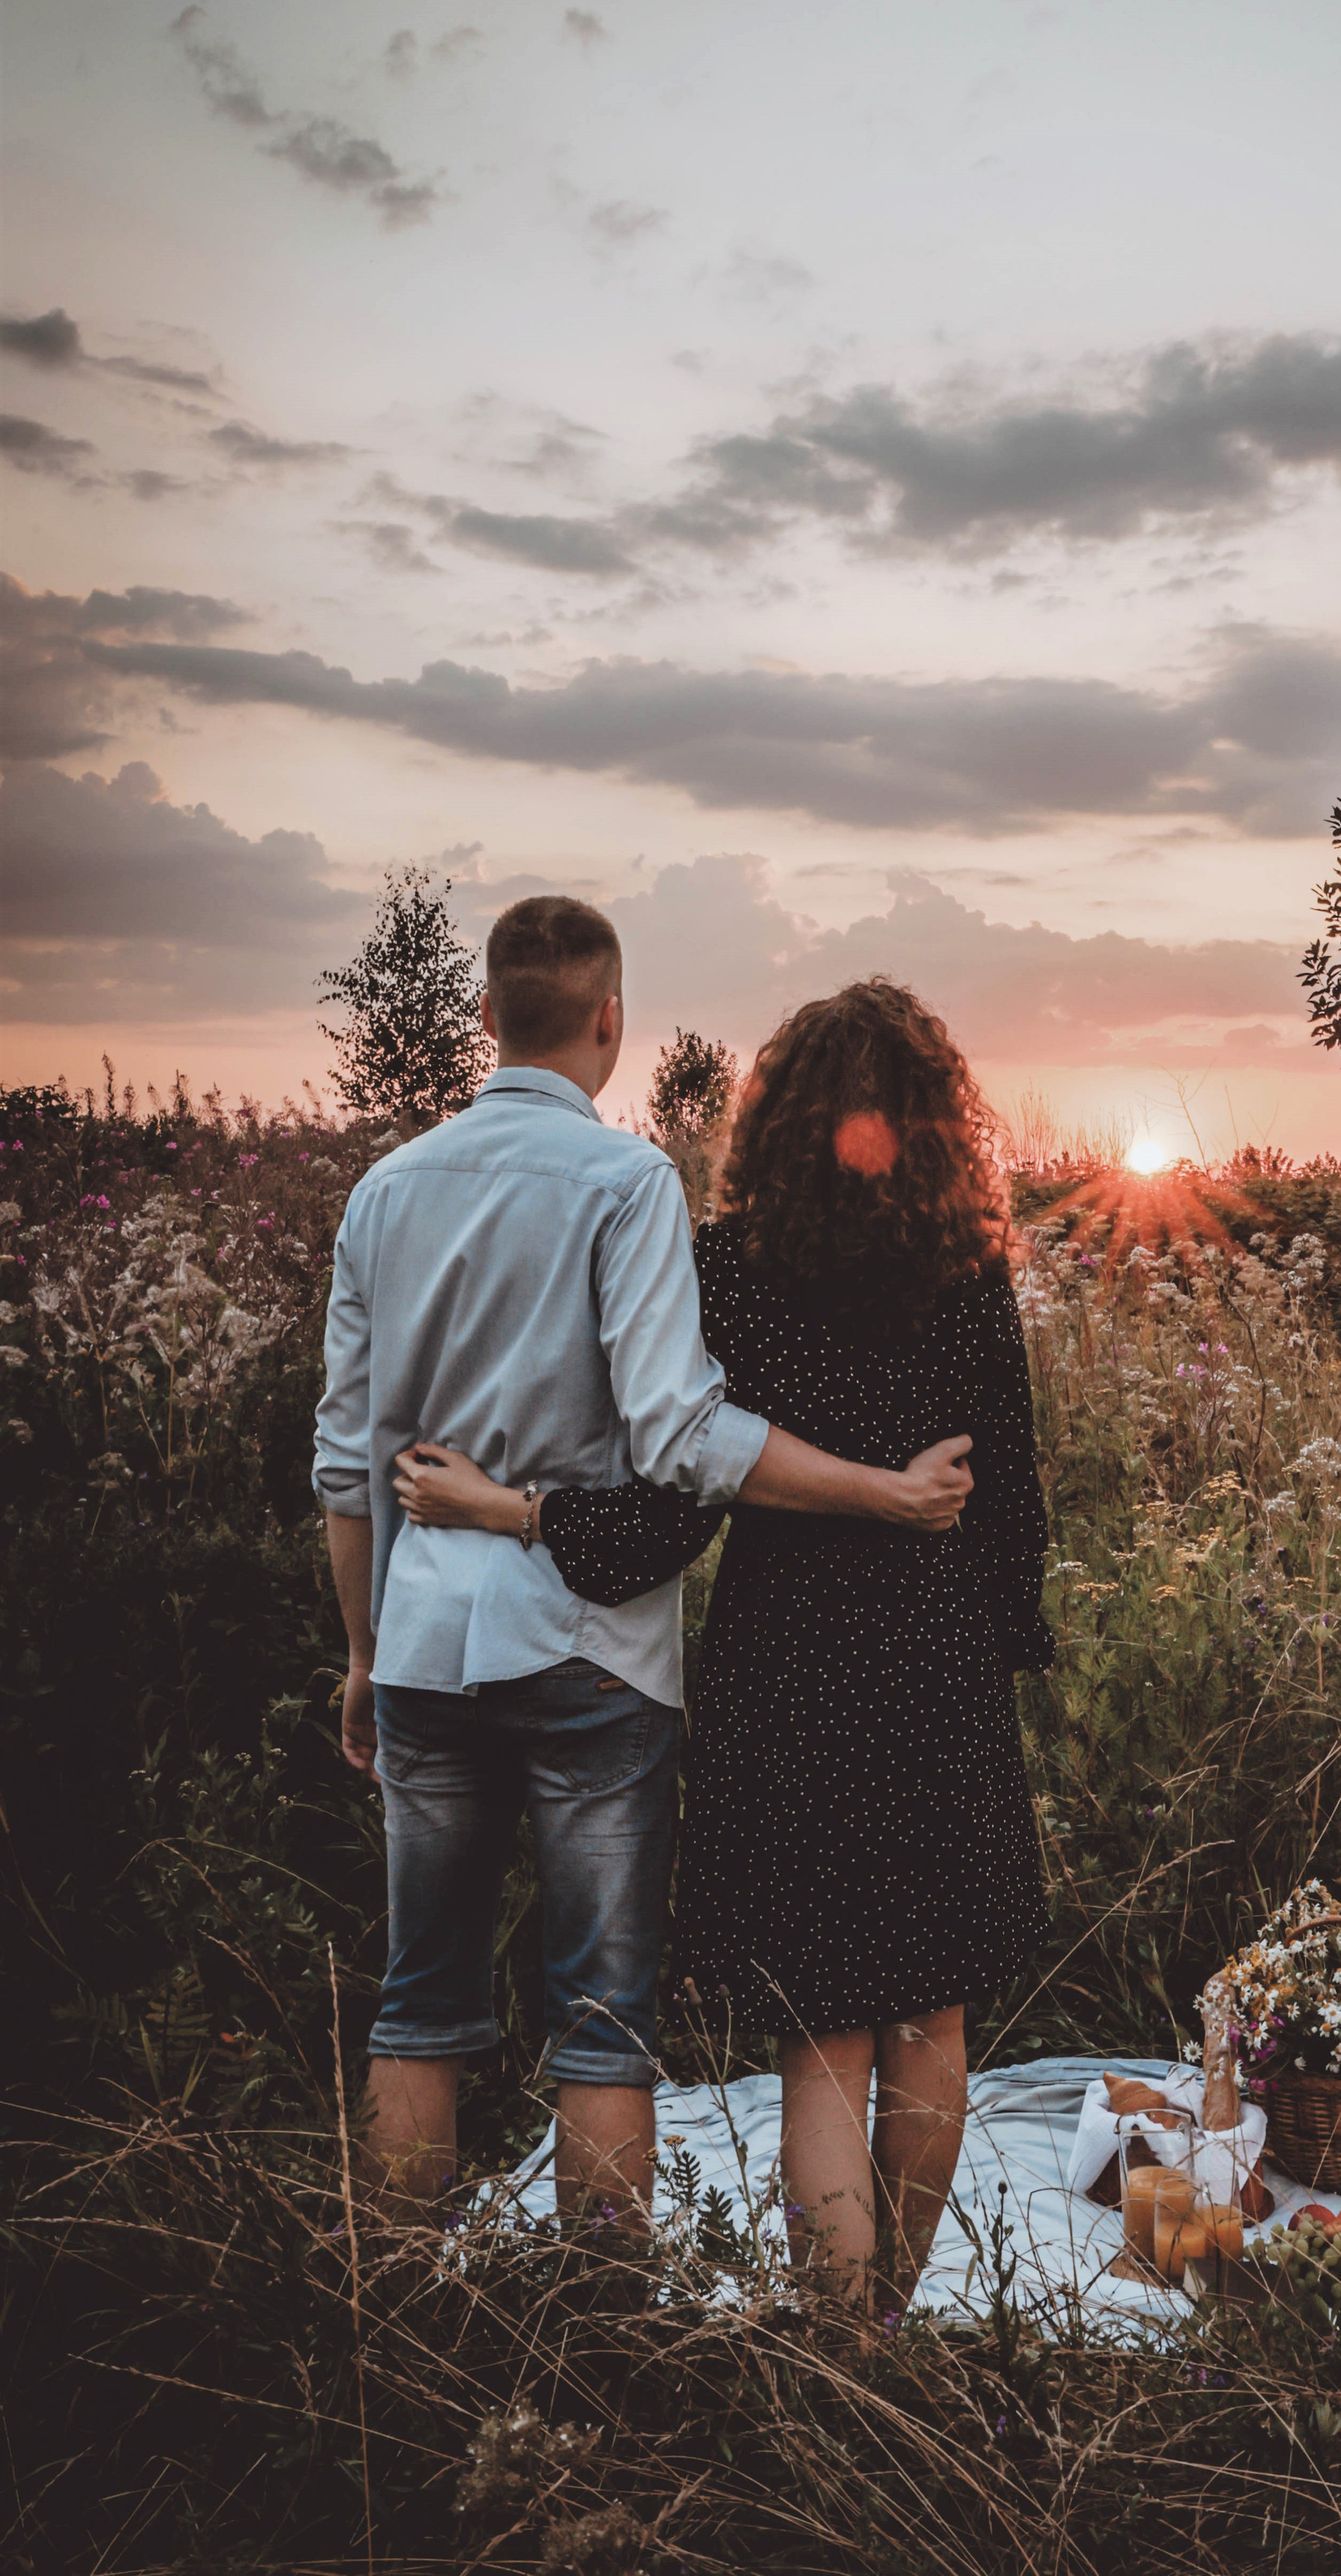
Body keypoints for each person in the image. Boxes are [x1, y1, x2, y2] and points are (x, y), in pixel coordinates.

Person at [314, 901, 974, 2233]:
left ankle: (386, 2338)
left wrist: (364, 1657)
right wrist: (876, 1491)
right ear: (611, 1020)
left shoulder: (386, 1191)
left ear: (487, 1016)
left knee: (420, 2005)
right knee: (604, 2025)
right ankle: (608, 2339)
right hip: (598, 1652)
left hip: (430, 1643)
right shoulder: (627, 1187)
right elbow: (677, 1435)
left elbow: (345, 1464)